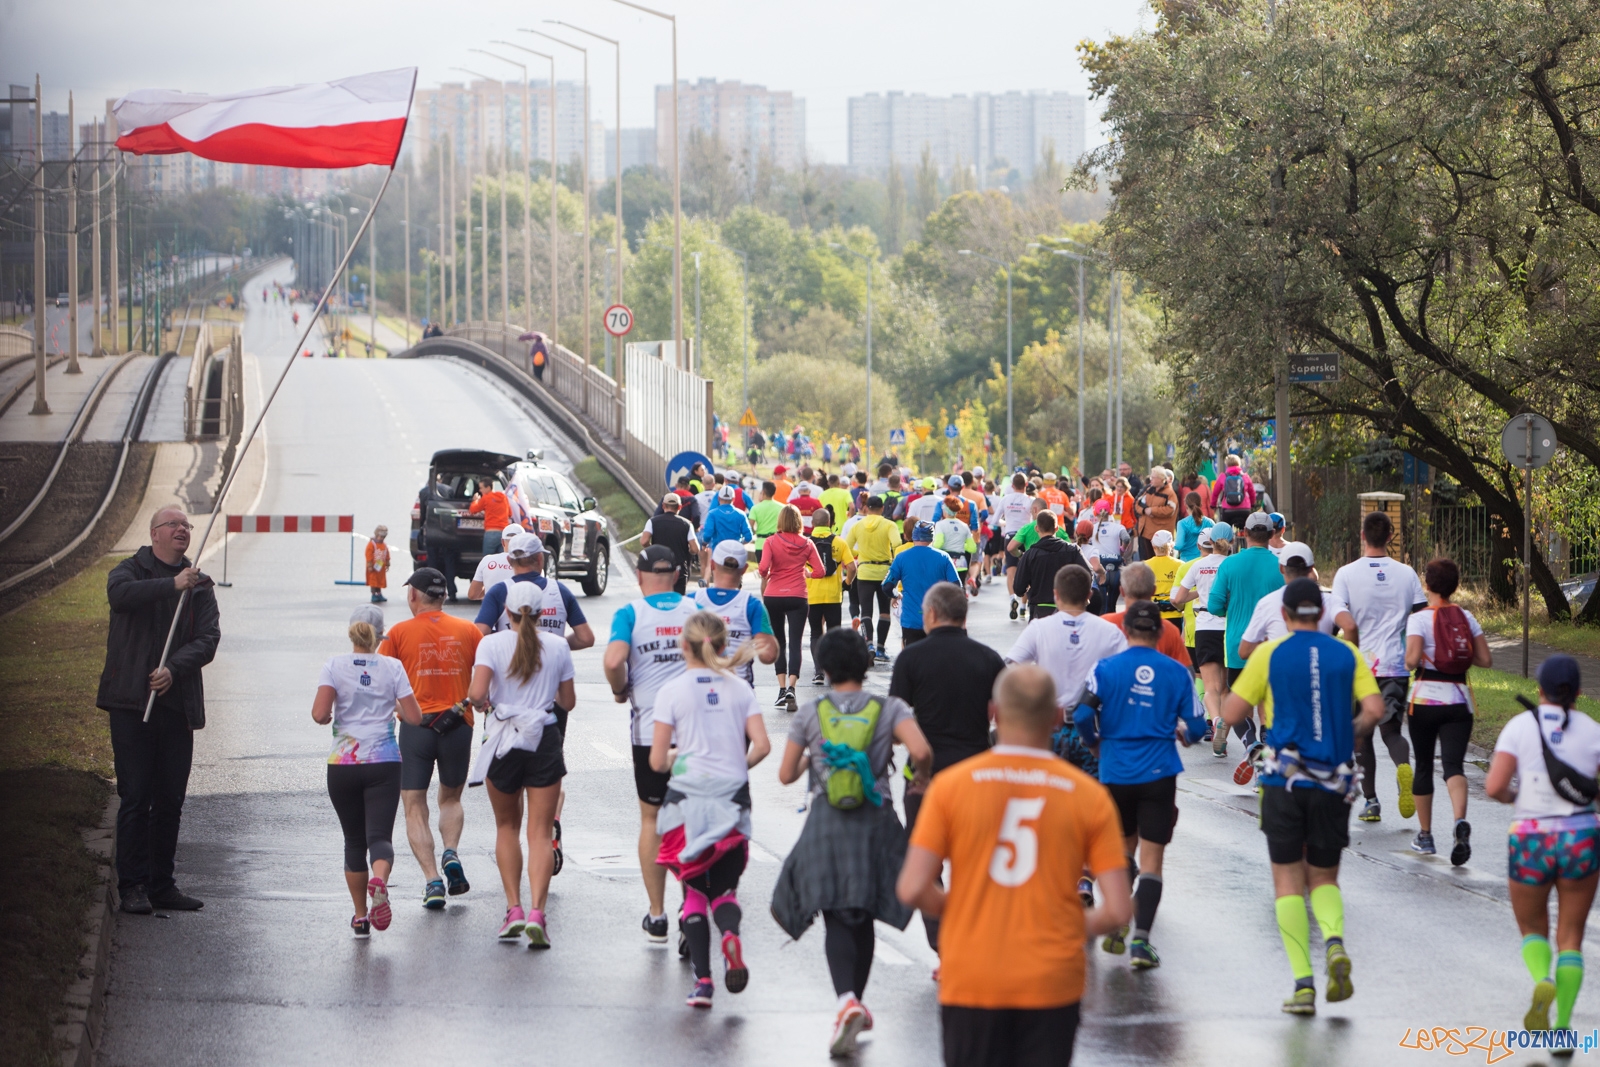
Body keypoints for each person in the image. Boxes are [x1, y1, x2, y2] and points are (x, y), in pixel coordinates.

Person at [897, 664, 1133, 1067]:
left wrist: (964, 910)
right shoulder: (1089, 796)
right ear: (1058, 717)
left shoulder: (950, 786)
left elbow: (912, 889)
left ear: (994, 713)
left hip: (972, 976)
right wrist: (1064, 925)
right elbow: (1117, 910)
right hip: (1051, 981)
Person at [1222, 578, 1385, 1015]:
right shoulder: (1347, 654)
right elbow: (1374, 710)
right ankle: (1333, 942)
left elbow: (1231, 713)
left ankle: (1303, 985)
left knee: (1288, 883)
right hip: (1333, 782)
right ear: (1323, 615)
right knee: (1325, 880)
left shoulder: (1269, 654)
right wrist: (1347, 733)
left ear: (1288, 616)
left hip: (1283, 783)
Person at [774, 628, 933, 1055]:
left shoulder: (812, 711)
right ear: (865, 665)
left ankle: (847, 1002)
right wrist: (918, 779)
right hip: (875, 816)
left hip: (827, 818)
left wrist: (815, 753)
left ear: (825, 668)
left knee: (836, 912)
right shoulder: (889, 707)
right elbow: (921, 750)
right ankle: (854, 1003)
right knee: (861, 910)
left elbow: (786, 775)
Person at [99, 506, 221, 915]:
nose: (183, 530)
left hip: (176, 706)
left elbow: (208, 638)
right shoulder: (130, 570)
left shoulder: (199, 584)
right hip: (130, 702)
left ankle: (161, 883)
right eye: (174, 524)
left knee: (170, 799)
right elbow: (119, 598)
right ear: (154, 533)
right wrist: (171, 585)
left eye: (187, 525)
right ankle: (131, 885)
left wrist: (173, 669)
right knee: (136, 796)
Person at [649, 611, 772, 1008]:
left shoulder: (672, 690)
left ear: (683, 645)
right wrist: (736, 767)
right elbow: (763, 746)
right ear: (722, 646)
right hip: (732, 798)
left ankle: (703, 982)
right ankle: (731, 939)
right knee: (723, 890)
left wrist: (678, 756)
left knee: (693, 892)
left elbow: (656, 761)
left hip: (686, 800)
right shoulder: (739, 689)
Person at [1077, 601, 1209, 969]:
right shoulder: (1178, 673)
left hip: (1115, 771)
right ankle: (1141, 943)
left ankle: (1116, 918)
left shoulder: (1104, 669)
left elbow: (1083, 713)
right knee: (1152, 860)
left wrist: (1094, 743)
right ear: (1160, 633)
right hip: (1159, 773)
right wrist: (1183, 733)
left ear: (1126, 631)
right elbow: (1198, 727)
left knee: (1120, 853)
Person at [1484, 655, 1600, 1044]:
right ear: (1580, 693)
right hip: (1580, 838)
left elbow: (1495, 787)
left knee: (1533, 928)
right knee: (1571, 935)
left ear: (1539, 690)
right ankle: (1564, 1029)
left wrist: (1518, 797)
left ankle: (1543, 979)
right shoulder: (1593, 731)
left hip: (1531, 839)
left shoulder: (1519, 726)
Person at [888, 582, 1006, 955]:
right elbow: (1004, 720)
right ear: (964, 616)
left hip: (925, 775)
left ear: (933, 614)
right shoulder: (989, 658)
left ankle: (943, 947)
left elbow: (896, 721)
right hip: (977, 773)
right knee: (974, 862)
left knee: (927, 866)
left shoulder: (911, 658)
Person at [468, 581, 576, 947]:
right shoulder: (559, 646)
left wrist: (486, 704)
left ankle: (513, 908)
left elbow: (477, 695)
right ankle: (537, 915)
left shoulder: (490, 644)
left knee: (506, 827)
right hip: (543, 737)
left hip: (503, 739)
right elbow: (568, 701)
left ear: (507, 613)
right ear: (544, 613)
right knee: (541, 832)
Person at [604, 544, 702, 942]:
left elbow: (613, 661)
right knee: (694, 821)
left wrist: (621, 688)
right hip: (697, 734)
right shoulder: (695, 611)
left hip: (649, 734)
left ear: (640, 576)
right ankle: (690, 910)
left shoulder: (630, 614)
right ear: (677, 576)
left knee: (653, 821)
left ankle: (657, 914)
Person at [314, 612, 423, 937]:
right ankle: (380, 880)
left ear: (352, 634)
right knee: (379, 838)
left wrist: (330, 716)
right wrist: (397, 710)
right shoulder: (392, 667)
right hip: (383, 761)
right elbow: (415, 717)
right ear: (380, 636)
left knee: (353, 841)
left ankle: (361, 916)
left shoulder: (333, 665)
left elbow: (320, 713)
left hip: (343, 764)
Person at [378, 568, 482, 909]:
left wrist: (396, 705)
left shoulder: (397, 634)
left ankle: (432, 880)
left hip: (416, 727)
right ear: (444, 596)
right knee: (450, 799)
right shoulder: (469, 631)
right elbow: (485, 679)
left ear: (413, 596)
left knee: (413, 805)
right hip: (458, 724)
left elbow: (379, 681)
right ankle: (451, 852)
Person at [1331, 509, 1423, 824]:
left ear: (1362, 536)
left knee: (1361, 737)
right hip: (1396, 664)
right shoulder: (1407, 574)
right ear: (1391, 537)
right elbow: (1421, 617)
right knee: (1391, 730)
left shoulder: (1345, 574)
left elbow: (1337, 621)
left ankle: (1371, 802)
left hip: (1359, 667)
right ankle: (1402, 765)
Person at [1404, 557, 1493, 863]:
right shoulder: (1466, 617)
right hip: (1459, 701)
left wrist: (1412, 657)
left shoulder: (1419, 619)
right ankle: (1458, 822)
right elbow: (1485, 659)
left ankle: (1426, 836)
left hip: (1424, 701)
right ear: (1455, 586)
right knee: (1454, 766)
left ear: (1427, 585)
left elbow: (1411, 660)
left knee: (1425, 766)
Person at [1207, 512, 1286, 780]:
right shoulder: (1280, 566)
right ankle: (1268, 750)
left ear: (1245, 533)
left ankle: (1251, 744)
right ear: (1272, 534)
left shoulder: (1229, 565)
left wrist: (1234, 605)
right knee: (1268, 703)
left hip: (1239, 645)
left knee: (1236, 701)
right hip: (1273, 645)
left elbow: (1215, 605)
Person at [1171, 522, 1233, 753]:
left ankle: (1215, 721)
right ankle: (1222, 740)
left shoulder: (1198, 566)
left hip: (1204, 627)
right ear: (1232, 542)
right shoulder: (1232, 564)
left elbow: (1177, 599)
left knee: (1210, 688)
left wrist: (1199, 591)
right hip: (1228, 626)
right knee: (1225, 688)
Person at [759, 503, 824, 711]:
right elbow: (821, 571)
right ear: (798, 522)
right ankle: (792, 688)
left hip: (773, 596)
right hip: (797, 596)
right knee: (795, 642)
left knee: (779, 642)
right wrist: (808, 573)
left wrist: (766, 575)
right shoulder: (807, 543)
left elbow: (762, 568)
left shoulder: (770, 541)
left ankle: (780, 689)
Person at [474, 534, 593, 647]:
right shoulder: (560, 591)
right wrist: (557, 643)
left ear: (509, 561)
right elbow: (586, 638)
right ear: (540, 559)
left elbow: (479, 634)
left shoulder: (499, 592)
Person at [1238, 542, 1351, 660]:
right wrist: (1347, 661)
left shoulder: (1266, 603)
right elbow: (1349, 626)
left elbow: (1244, 651)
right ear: (1312, 568)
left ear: (1281, 568)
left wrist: (1271, 643)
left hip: (1282, 674)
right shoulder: (1330, 600)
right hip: (1320, 673)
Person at [693, 540, 780, 688]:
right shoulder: (752, 605)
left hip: (698, 689)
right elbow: (769, 655)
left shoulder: (692, 601)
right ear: (744, 569)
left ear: (713, 565)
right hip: (739, 691)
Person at [843, 495, 903, 661]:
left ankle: (868, 643)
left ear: (866, 508)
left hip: (865, 571)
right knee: (885, 612)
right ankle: (881, 649)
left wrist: (860, 554)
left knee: (866, 611)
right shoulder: (889, 525)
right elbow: (897, 544)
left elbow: (846, 547)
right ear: (882, 508)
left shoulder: (857, 526)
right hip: (884, 571)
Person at [883, 523, 961, 648]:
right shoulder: (944, 557)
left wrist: (896, 595)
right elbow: (957, 587)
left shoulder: (901, 557)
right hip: (937, 620)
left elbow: (887, 586)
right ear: (932, 538)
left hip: (911, 620)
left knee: (912, 660)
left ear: (913, 537)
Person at [1101, 562, 1191, 667]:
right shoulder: (1169, 630)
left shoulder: (1104, 624)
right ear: (1153, 590)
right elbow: (1186, 672)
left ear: (1122, 591)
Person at [803, 509, 856, 685]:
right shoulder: (839, 542)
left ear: (813, 524)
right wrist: (847, 582)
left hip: (813, 594)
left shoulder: (806, 543)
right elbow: (852, 567)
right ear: (830, 523)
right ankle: (833, 672)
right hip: (833, 595)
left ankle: (818, 671)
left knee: (816, 633)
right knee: (835, 633)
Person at [1012, 512, 1088, 621]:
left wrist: (1029, 589)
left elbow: (1018, 588)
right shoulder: (1072, 551)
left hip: (1039, 611)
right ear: (1057, 528)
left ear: (1037, 528)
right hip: (1068, 609)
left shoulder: (1030, 555)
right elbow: (1087, 574)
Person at [641, 494, 699, 595]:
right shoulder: (687, 524)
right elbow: (695, 548)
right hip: (679, 569)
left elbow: (644, 541)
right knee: (678, 601)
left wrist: (653, 549)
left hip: (658, 568)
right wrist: (688, 551)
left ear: (663, 506)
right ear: (680, 507)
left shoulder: (652, 521)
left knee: (657, 598)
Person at [698, 485, 754, 582]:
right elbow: (748, 537)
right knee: (735, 579)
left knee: (718, 579)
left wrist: (704, 544)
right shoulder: (741, 514)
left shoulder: (712, 514)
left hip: (718, 551)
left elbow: (708, 534)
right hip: (735, 551)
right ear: (733, 499)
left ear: (719, 498)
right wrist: (740, 542)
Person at [931, 497, 979, 595]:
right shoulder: (964, 526)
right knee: (958, 592)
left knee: (944, 593)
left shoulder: (940, 524)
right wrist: (961, 546)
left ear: (945, 510)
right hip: (961, 564)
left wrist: (931, 546)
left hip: (945, 564)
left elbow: (938, 544)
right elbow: (972, 548)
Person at [467, 522, 525, 600]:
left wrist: (491, 589)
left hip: (492, 610)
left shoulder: (487, 560)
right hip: (519, 610)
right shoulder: (530, 564)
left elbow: (472, 594)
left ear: (502, 542)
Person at [1134, 468, 1178, 561]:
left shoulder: (1169, 493)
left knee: (1157, 560)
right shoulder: (1149, 489)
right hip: (1144, 531)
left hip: (1158, 533)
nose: (1151, 479)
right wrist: (1144, 510)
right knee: (1145, 561)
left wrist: (1153, 510)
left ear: (1161, 479)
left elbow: (1170, 510)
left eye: (1153, 477)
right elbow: (1137, 503)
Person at [1210, 452, 1255, 528]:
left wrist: (1213, 505)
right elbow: (1252, 492)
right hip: (1244, 509)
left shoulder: (1222, 476)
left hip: (1228, 510)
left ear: (1227, 465)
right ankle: (1245, 538)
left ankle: (1227, 539)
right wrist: (1253, 503)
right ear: (1239, 464)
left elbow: (1215, 493)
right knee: (1246, 530)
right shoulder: (1245, 476)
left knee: (1225, 530)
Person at [470, 479, 513, 557]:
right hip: (504, 533)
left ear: (488, 488)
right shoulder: (503, 497)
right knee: (503, 560)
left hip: (491, 533)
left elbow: (473, 510)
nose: (480, 490)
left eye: (481, 488)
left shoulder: (486, 498)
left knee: (487, 560)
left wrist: (475, 501)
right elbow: (510, 514)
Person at [748, 480, 782, 564]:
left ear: (763, 492)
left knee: (763, 572)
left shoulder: (755, 508)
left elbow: (750, 527)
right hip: (777, 543)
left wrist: (754, 532)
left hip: (761, 544)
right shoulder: (782, 507)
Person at [1173, 492, 1213, 562]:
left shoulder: (1182, 523)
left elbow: (1179, 545)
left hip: (1186, 561)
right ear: (1201, 505)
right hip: (1205, 561)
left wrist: (1171, 544)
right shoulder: (1209, 522)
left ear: (1186, 506)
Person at [365, 525, 391, 604]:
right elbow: (368, 554)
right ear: (376, 535)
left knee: (379, 581)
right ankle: (373, 594)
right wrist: (369, 564)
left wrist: (387, 563)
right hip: (373, 567)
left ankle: (379, 594)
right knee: (373, 581)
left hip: (380, 567)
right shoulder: (372, 544)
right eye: (380, 537)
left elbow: (386, 554)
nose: (382, 539)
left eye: (383, 537)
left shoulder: (384, 545)